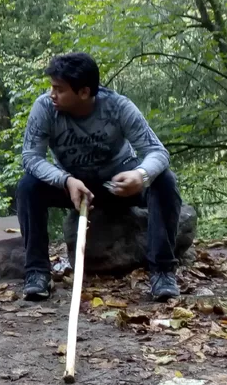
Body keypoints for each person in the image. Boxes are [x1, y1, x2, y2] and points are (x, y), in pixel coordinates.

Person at [18, 52, 182, 302]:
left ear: (84, 92)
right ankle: (37, 273)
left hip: (117, 184)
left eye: (59, 89)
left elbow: (157, 151)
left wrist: (140, 174)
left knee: (164, 181)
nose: (52, 94)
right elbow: (31, 157)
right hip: (75, 188)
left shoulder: (118, 107)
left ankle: (162, 272)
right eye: (52, 87)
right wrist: (65, 180)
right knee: (28, 187)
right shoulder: (44, 108)